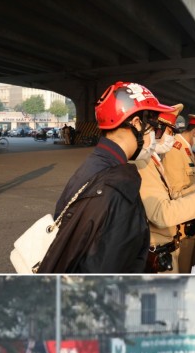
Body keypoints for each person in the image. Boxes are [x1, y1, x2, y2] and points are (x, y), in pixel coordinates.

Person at [35, 81, 171, 273]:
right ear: (136, 124)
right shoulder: (116, 185)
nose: (155, 139)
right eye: (155, 130)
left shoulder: (95, 165)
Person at [137, 106, 195, 272]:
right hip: (176, 230)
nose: (172, 138)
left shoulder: (186, 152)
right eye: (170, 132)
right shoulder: (166, 154)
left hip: (182, 229)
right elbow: (165, 208)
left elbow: (172, 194)